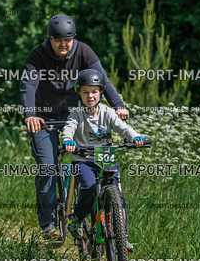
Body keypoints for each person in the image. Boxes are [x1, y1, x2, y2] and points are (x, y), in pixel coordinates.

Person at [21, 14, 129, 241]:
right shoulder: (38, 56)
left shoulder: (84, 52)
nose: (64, 44)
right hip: (45, 119)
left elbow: (102, 80)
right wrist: (30, 115)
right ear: (50, 39)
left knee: (101, 163)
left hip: (78, 117)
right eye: (58, 40)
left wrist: (118, 105)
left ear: (74, 39)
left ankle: (105, 222)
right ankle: (49, 224)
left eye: (68, 40)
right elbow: (28, 85)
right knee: (48, 167)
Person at [62, 69, 147, 251]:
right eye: (85, 92)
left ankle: (122, 236)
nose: (90, 96)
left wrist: (135, 137)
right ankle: (77, 220)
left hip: (105, 155)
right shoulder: (76, 113)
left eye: (94, 91)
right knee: (88, 186)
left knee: (118, 195)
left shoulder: (107, 112)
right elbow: (69, 127)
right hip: (83, 158)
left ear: (101, 92)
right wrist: (68, 140)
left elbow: (123, 127)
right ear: (79, 93)